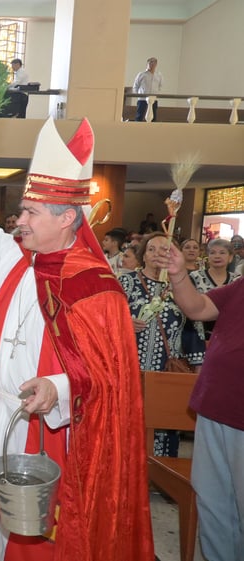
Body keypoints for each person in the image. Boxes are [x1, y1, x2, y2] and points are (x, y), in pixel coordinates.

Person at [0, 119, 153, 560]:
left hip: (49, 428)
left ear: (66, 218)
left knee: (38, 535)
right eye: (22, 212)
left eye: (30, 213)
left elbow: (111, 378)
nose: (19, 221)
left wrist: (57, 386)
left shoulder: (95, 287)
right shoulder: (14, 259)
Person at [164, 243, 244, 561]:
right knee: (213, 500)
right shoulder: (240, 288)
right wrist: (179, 274)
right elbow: (197, 308)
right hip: (214, 407)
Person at [120, 232, 185, 457]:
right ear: (143, 256)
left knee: (164, 421)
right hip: (129, 369)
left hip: (167, 370)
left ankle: (161, 475)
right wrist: (124, 323)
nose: (158, 254)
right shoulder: (126, 282)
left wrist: (199, 366)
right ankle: (128, 473)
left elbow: (194, 328)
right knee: (127, 418)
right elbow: (105, 318)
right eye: (151, 249)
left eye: (165, 250)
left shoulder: (183, 286)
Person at [181, 238, 239, 370]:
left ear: (230, 257)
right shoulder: (194, 277)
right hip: (197, 336)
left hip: (229, 338)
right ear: (207, 256)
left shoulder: (237, 281)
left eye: (222, 253)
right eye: (213, 252)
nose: (217, 256)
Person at [133, 57, 162, 122]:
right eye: (150, 62)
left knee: (153, 118)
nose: (152, 64)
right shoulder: (141, 74)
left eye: (153, 63)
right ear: (147, 64)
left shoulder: (158, 75)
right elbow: (135, 86)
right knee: (139, 116)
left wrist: (156, 94)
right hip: (142, 99)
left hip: (153, 99)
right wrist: (139, 95)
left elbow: (160, 86)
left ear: (156, 64)